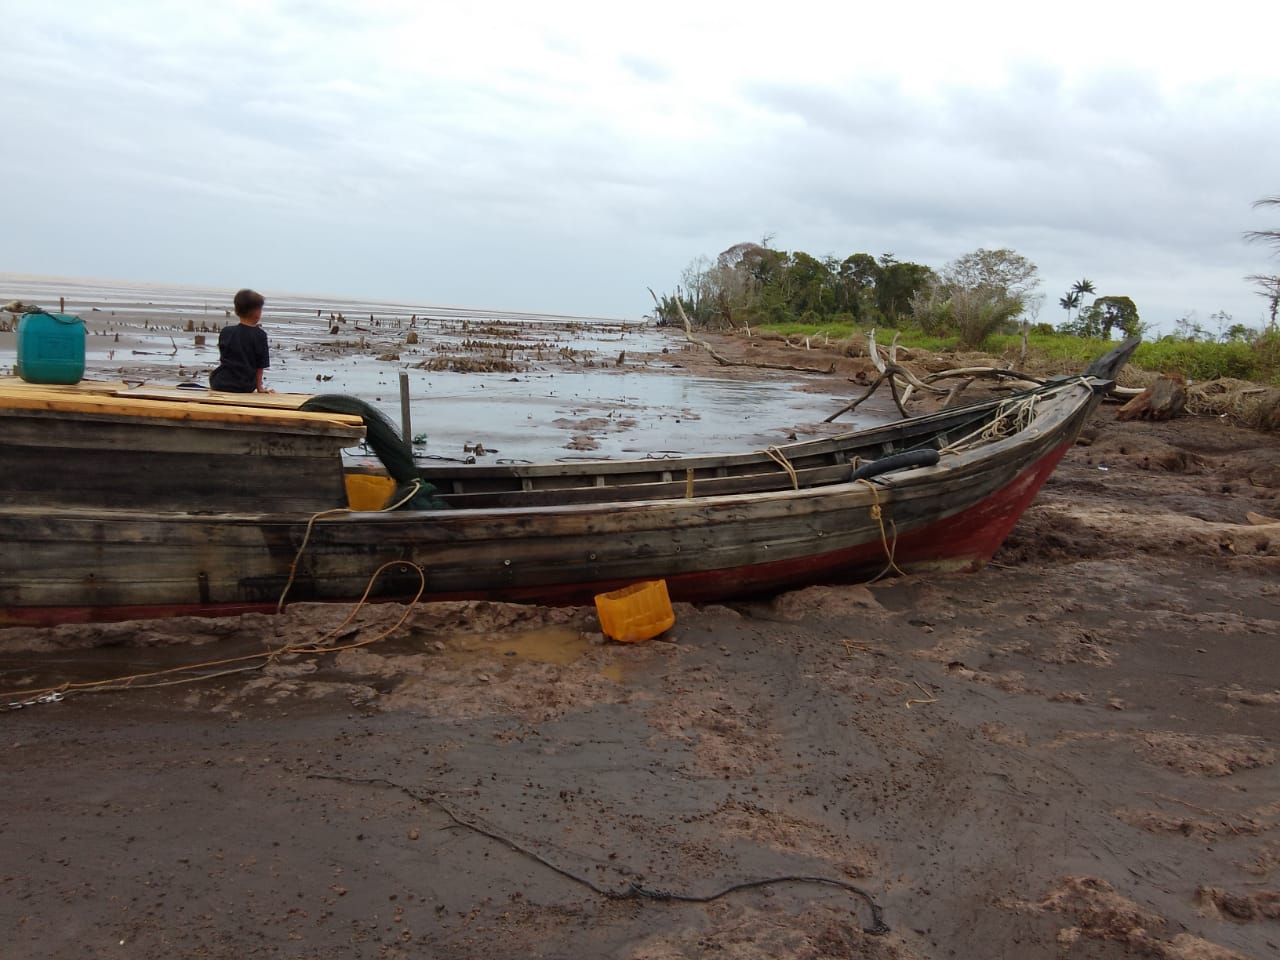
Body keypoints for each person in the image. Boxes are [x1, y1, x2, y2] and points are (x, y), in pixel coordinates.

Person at [210, 288, 274, 393]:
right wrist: (259, 387)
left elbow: (224, 357)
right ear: (257, 312)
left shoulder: (226, 331)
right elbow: (260, 365)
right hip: (244, 385)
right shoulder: (260, 335)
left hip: (219, 382)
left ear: (236, 311)